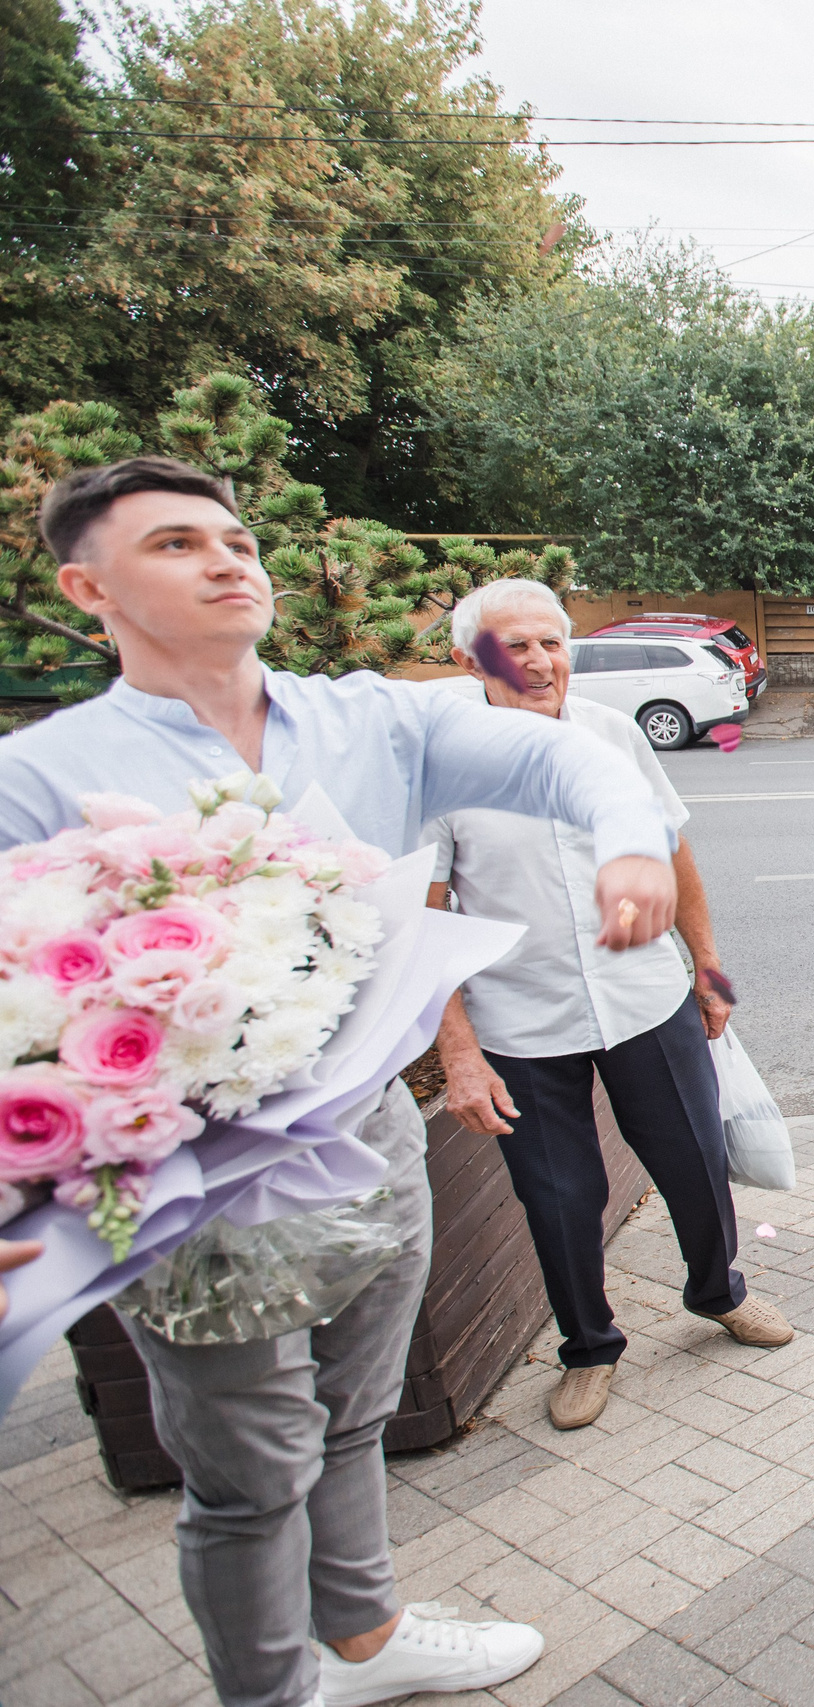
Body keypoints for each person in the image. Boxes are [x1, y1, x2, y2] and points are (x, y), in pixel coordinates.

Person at [0, 458, 681, 1707]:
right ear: (87, 586)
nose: (228, 558)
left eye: (238, 536)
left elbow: (563, 763)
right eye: (177, 544)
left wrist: (630, 845)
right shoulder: (39, 779)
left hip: (370, 1137)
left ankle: (365, 1638)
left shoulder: (375, 717)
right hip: (185, 1188)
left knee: (358, 1415)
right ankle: (267, 1690)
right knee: (249, 1475)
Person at [427, 580, 789, 1432]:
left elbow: (672, 851)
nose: (539, 662)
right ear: (465, 657)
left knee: (697, 1163)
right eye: (512, 645)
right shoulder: (439, 768)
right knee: (559, 1196)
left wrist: (707, 965)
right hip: (520, 1019)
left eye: (552, 643)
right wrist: (459, 1051)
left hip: (645, 997)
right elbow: (425, 913)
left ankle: (718, 1291)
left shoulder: (611, 735)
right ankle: (589, 1347)